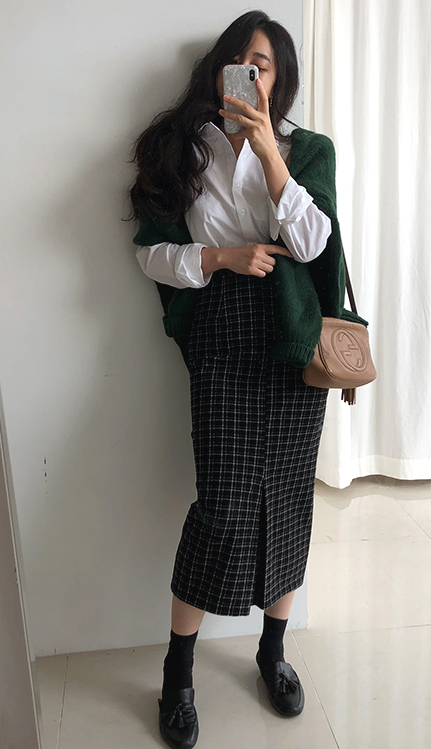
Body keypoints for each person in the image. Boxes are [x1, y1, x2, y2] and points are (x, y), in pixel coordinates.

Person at [128, 10, 354, 749]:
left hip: (295, 334)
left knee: (288, 496)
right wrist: (221, 258)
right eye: (241, 59)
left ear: (280, 79)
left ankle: (272, 652)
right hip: (221, 328)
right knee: (221, 505)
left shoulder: (306, 148)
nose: (252, 73)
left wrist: (268, 154)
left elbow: (315, 244)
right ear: (220, 67)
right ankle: (178, 672)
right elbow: (150, 253)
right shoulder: (181, 147)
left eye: (266, 64)